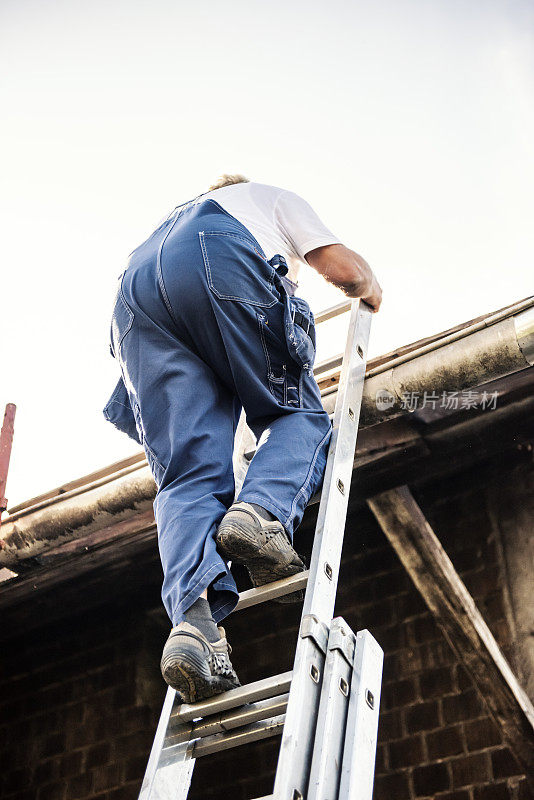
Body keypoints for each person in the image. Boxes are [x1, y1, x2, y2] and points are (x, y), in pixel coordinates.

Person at [103, 175, 382, 703]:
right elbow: (346, 272)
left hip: (133, 302)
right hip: (216, 260)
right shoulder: (267, 199)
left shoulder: (171, 222)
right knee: (298, 415)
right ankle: (262, 514)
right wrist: (370, 286)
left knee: (186, 476)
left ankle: (195, 629)